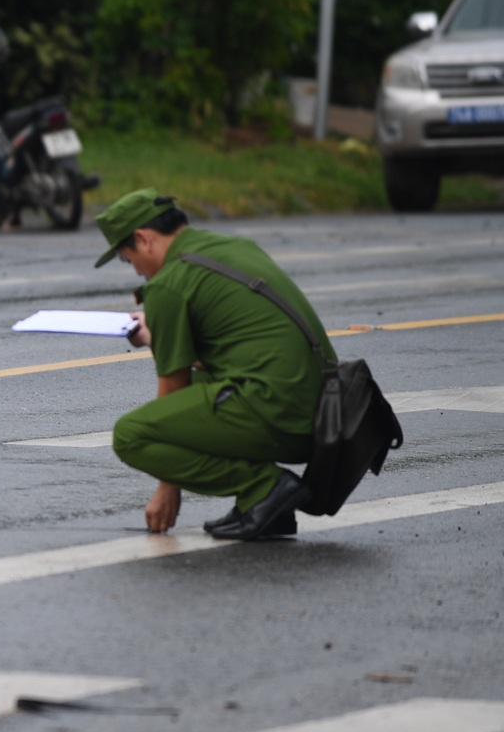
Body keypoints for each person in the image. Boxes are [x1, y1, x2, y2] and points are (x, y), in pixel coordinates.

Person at [96, 189, 331, 541]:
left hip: (284, 417)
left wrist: (168, 485)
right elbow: (226, 343)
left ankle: (265, 488)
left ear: (143, 239)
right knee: (206, 380)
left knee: (132, 435)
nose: (138, 271)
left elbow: (172, 391)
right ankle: (267, 510)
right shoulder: (234, 248)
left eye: (129, 260)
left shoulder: (168, 283)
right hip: (325, 411)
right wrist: (155, 334)